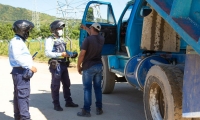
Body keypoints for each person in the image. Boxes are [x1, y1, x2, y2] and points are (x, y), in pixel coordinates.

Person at [45, 20, 78, 111]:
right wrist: (60, 54)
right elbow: (47, 53)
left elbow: (65, 52)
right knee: (56, 85)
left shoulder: (61, 39)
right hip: (56, 65)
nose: (61, 30)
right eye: (59, 28)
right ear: (54, 29)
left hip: (63, 64)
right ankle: (56, 104)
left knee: (67, 83)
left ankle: (68, 101)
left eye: (61, 28)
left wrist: (72, 54)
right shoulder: (50, 40)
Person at [8, 20, 37, 120]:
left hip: (18, 71)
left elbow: (20, 56)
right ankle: (25, 118)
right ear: (22, 30)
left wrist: (29, 59)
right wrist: (30, 66)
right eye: (27, 30)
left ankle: (18, 117)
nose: (28, 33)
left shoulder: (17, 41)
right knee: (23, 96)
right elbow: (18, 57)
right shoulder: (16, 42)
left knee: (18, 96)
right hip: (21, 71)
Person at [77, 22, 104, 117]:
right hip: (99, 66)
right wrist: (85, 28)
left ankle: (86, 111)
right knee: (98, 88)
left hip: (88, 67)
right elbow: (94, 35)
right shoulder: (101, 39)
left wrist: (78, 65)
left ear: (92, 28)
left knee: (87, 89)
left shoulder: (87, 40)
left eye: (90, 28)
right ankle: (99, 109)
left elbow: (82, 54)